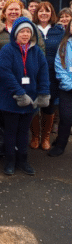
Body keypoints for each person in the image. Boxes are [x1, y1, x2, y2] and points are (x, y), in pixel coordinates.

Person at [0, 17, 50, 176]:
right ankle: (10, 161)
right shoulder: (7, 50)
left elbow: (43, 73)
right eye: (22, 32)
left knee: (23, 132)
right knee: (11, 132)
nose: (25, 34)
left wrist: (44, 92)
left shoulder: (36, 51)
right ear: (15, 34)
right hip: (10, 99)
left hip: (31, 100)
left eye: (28, 31)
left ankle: (23, 160)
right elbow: (5, 73)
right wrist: (19, 93)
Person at [30, 2, 64, 150]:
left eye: (47, 11)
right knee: (33, 106)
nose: (44, 14)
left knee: (49, 106)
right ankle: (35, 137)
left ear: (52, 13)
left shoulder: (59, 30)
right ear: (36, 14)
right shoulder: (30, 29)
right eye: (41, 11)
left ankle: (45, 137)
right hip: (33, 73)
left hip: (52, 74)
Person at [49, 20, 72, 156]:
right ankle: (60, 145)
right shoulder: (64, 44)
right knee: (66, 117)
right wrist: (69, 83)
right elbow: (59, 64)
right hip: (66, 88)